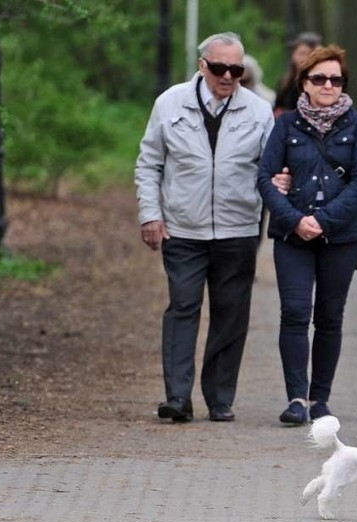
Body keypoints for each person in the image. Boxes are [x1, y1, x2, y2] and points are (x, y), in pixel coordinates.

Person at [135, 32, 281, 424]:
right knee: (183, 306)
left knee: (231, 313)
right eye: (220, 68)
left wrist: (279, 192)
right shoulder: (170, 103)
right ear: (202, 66)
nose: (228, 76)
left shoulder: (259, 110)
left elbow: (270, 169)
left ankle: (219, 398)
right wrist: (151, 214)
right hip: (183, 228)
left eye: (236, 69)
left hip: (238, 229)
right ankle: (178, 397)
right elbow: (149, 163)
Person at [257, 45, 357, 425]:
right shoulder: (286, 125)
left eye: (335, 79)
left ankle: (319, 399)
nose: (328, 85)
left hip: (342, 236)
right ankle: (296, 398)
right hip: (293, 236)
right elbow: (265, 178)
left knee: (329, 315)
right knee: (294, 312)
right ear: (303, 83)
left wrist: (323, 220)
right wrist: (295, 220)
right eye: (319, 78)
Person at [274, 32, 323, 118]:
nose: (305, 58)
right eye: (302, 53)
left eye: (310, 54)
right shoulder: (285, 83)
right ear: (294, 55)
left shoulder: (322, 82)